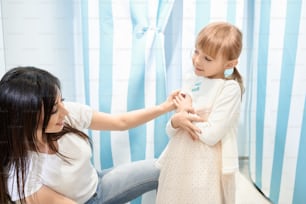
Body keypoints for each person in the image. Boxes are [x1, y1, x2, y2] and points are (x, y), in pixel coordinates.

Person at [0, 66, 181, 204]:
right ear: (28, 118)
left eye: (61, 101)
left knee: (164, 168)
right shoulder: (20, 176)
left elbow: (120, 122)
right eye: (55, 109)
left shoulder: (65, 115)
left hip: (98, 181)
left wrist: (166, 106)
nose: (64, 111)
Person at [155, 21, 244, 204]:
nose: (197, 60)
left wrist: (186, 114)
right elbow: (171, 131)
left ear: (230, 63)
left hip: (207, 164)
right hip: (179, 158)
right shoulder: (192, 79)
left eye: (207, 59)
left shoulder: (229, 89)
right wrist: (177, 119)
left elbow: (211, 135)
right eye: (196, 51)